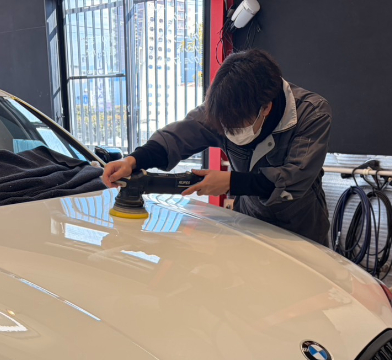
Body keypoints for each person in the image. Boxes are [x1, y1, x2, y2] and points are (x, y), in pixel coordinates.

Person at [102, 49, 332, 246]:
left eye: (236, 126)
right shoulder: (222, 109)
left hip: (302, 228)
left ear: (266, 108)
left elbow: (294, 179)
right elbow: (177, 138)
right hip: (250, 221)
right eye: (224, 127)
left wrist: (231, 182)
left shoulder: (312, 113)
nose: (229, 131)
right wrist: (133, 160)